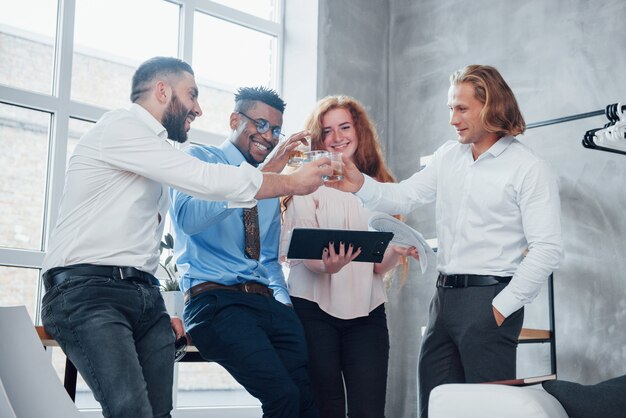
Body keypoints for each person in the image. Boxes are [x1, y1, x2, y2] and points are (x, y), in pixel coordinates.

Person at [40, 57, 331, 418]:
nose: (198, 107)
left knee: (160, 411)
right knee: (131, 408)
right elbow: (204, 184)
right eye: (191, 95)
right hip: (87, 291)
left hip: (141, 293)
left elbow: (137, 248)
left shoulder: (157, 155)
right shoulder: (123, 128)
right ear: (162, 90)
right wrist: (291, 182)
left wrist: (159, 307)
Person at [327, 65, 563, 418]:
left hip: (490, 300)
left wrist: (501, 308)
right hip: (443, 301)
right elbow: (404, 196)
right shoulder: (447, 157)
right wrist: (359, 184)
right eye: (450, 109)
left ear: (491, 106)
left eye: (462, 108)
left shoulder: (528, 168)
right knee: (435, 406)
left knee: (487, 412)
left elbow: (547, 249)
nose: (453, 119)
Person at [169, 86, 320, 418]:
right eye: (261, 124)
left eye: (276, 129)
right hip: (216, 303)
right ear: (235, 119)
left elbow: (267, 259)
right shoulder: (198, 160)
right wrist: (255, 179)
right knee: (281, 397)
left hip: (266, 304)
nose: (268, 136)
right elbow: (189, 220)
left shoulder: (270, 185)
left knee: (308, 402)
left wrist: (284, 306)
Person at [280, 95, 418, 418]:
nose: (337, 137)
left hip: (366, 312)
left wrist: (397, 251)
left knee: (369, 411)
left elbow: (376, 267)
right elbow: (301, 250)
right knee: (326, 408)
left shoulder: (377, 188)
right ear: (318, 137)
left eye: (345, 127)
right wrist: (325, 265)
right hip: (312, 310)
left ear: (360, 132)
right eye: (327, 131)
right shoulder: (306, 182)